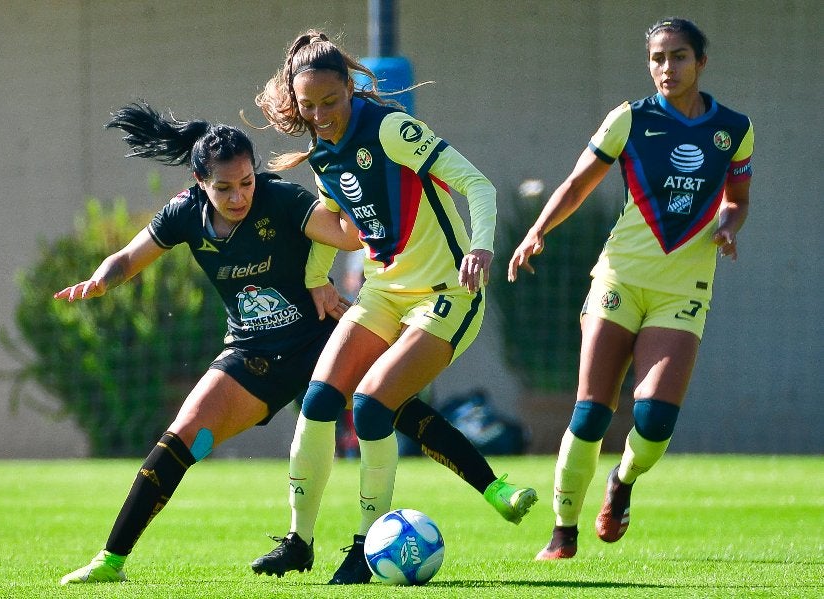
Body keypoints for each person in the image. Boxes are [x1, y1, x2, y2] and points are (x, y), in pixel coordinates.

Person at [56, 102, 534, 585]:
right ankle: (111, 561)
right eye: (224, 188)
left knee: (390, 406)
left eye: (246, 182)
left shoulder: (281, 198)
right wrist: (99, 281)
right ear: (199, 183)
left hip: (315, 337)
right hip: (251, 354)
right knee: (185, 435)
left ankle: (492, 488)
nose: (239, 196)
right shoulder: (182, 215)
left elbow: (345, 235)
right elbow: (129, 257)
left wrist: (366, 195)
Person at [249, 30, 537, 585]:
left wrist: (481, 246)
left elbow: (476, 184)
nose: (321, 116)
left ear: (352, 89)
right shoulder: (323, 152)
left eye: (330, 103)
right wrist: (316, 281)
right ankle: (299, 541)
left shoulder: (390, 128)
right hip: (382, 291)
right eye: (308, 107)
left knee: (374, 406)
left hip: (447, 293)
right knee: (318, 400)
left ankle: (364, 546)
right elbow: (333, 223)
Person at [507, 17, 753, 560]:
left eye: (680, 56)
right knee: (592, 410)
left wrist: (730, 226)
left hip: (683, 288)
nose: (668, 68)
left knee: (653, 420)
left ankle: (622, 481)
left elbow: (737, 197)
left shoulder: (734, 129)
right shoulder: (629, 119)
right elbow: (576, 185)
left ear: (701, 62)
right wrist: (536, 232)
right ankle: (563, 530)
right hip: (620, 276)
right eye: (658, 58)